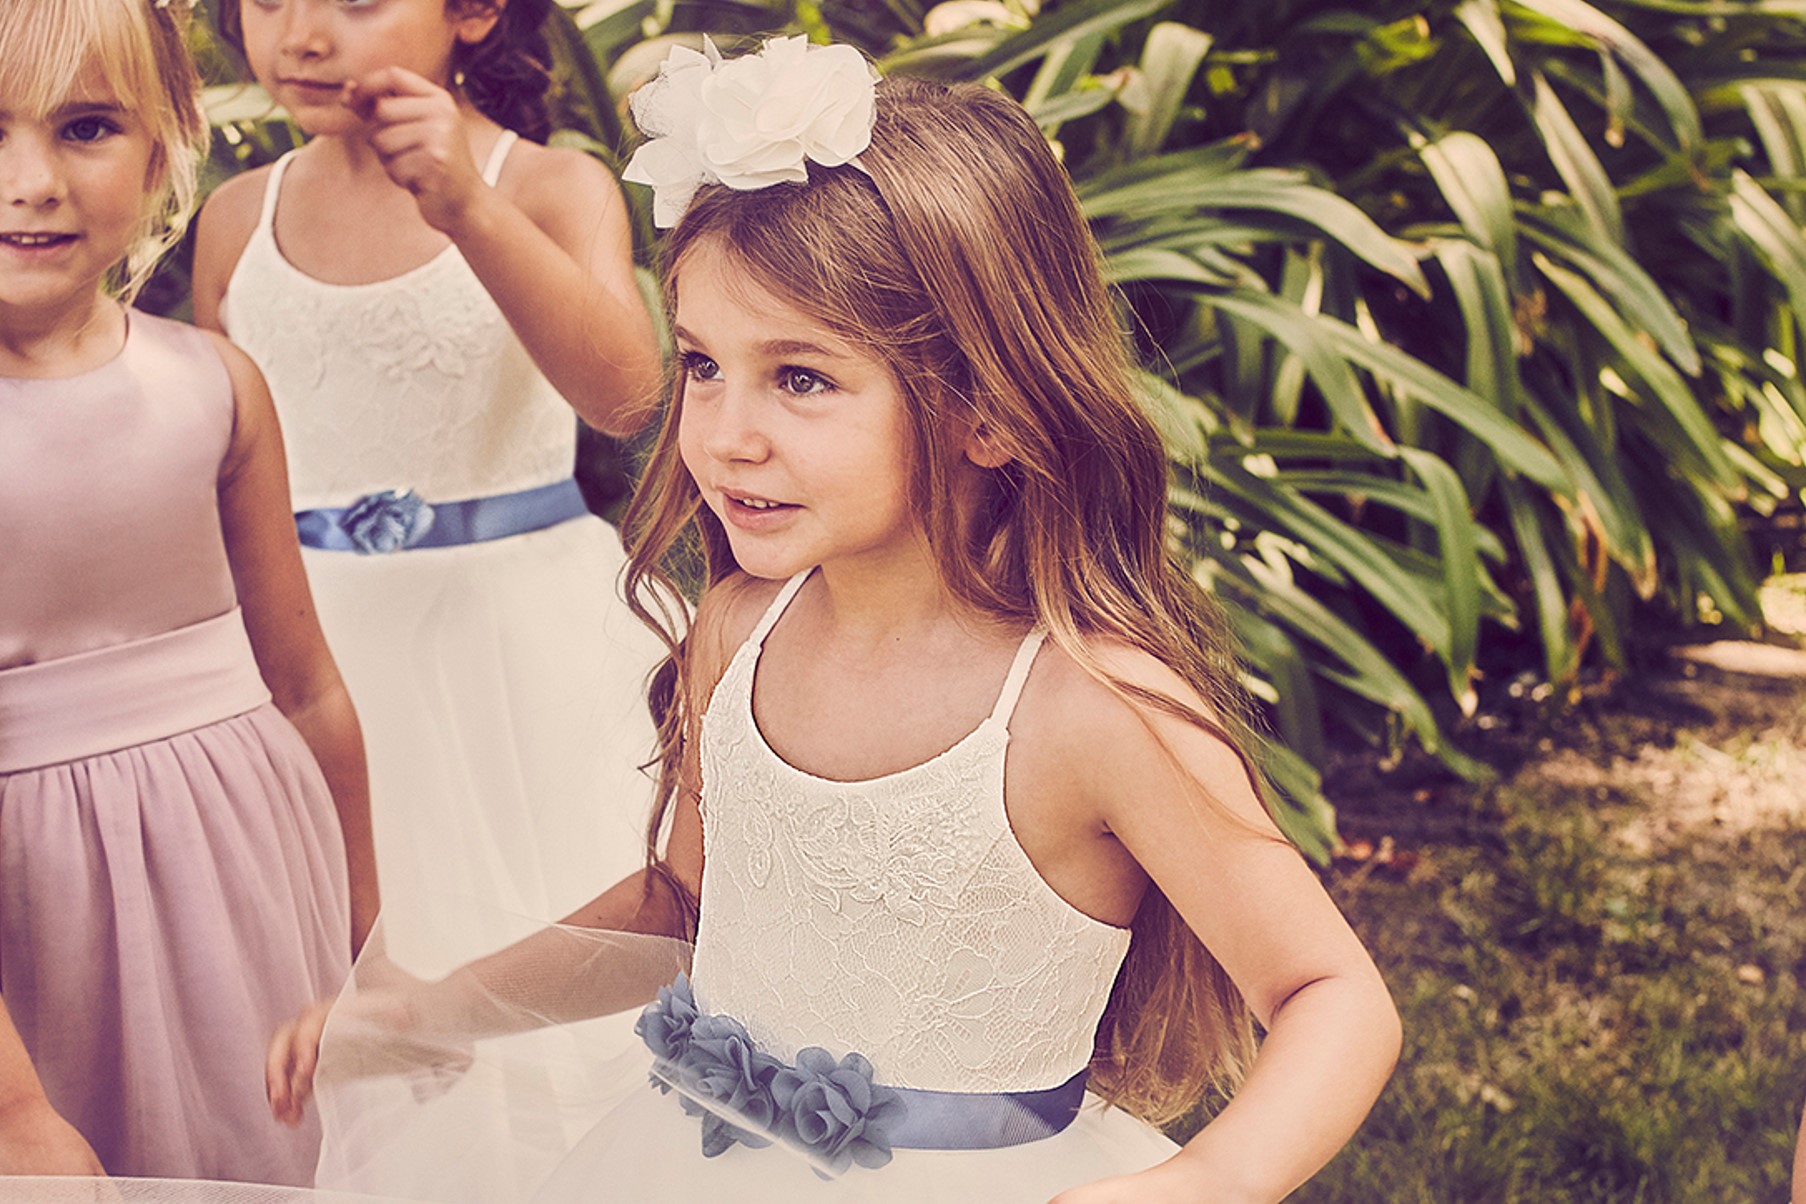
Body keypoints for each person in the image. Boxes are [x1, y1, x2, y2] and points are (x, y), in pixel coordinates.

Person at [269, 40, 1402, 1203]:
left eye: (800, 377)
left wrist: (1209, 1181)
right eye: (705, 364)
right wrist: (437, 1005)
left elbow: (1332, 993)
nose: (724, 433)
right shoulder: (738, 630)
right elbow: (683, 906)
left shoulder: (1088, 708)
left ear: (990, 411)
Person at [190, 0, 666, 976]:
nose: (304, 36)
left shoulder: (547, 186)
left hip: (510, 652)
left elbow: (624, 395)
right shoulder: (239, 215)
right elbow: (217, 466)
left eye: (355, 2)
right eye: (271, 1)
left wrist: (468, 209)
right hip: (309, 653)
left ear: (477, 12)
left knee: (517, 948)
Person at [0, 0, 376, 1184]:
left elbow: (308, 687)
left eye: (88, 127)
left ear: (166, 144)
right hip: (37, 911)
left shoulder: (216, 385)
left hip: (244, 881)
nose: (32, 183)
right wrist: (16, 1110)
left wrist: (374, 959)